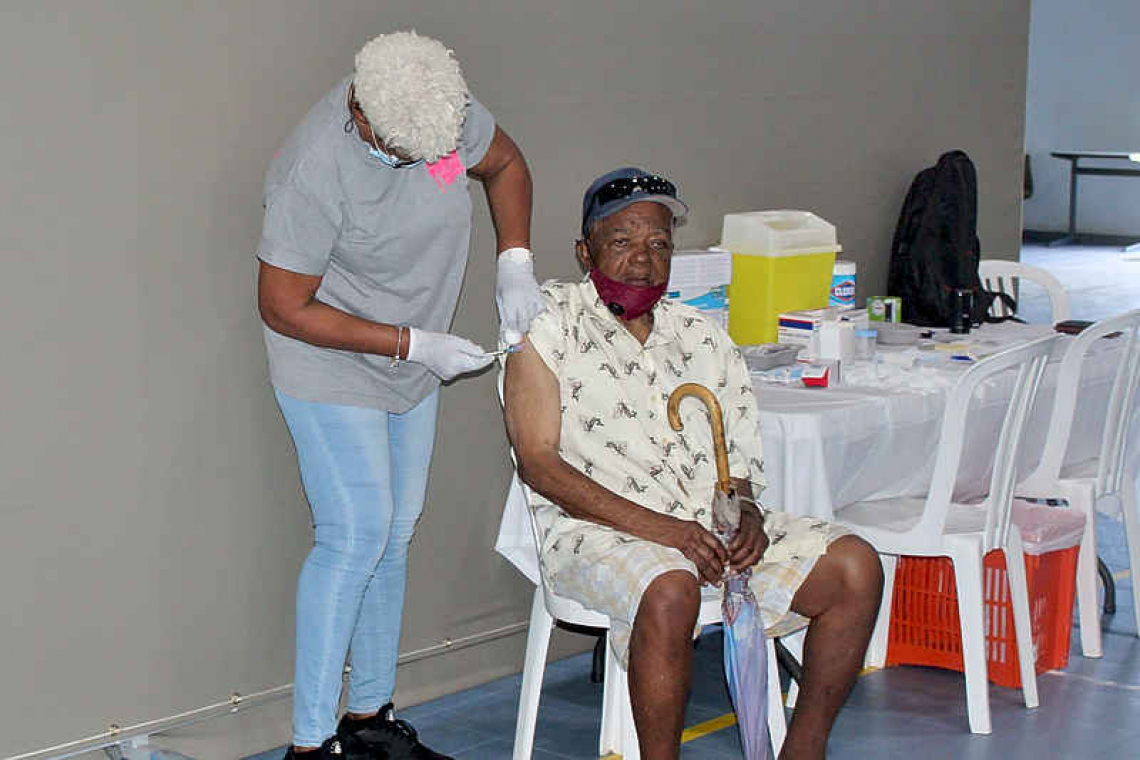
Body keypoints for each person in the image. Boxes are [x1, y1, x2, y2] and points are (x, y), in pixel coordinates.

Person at [502, 167, 883, 760]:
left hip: (705, 528)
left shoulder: (703, 337)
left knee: (855, 566)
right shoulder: (547, 330)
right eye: (623, 242)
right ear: (586, 251)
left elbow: (740, 461)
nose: (643, 261)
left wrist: (749, 516)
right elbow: (539, 465)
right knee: (671, 588)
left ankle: (803, 750)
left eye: (658, 245)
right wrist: (668, 532)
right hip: (595, 533)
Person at [256, 32, 543, 759]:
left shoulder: (438, 110)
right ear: (362, 114)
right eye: (401, 154)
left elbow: (505, 163)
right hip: (332, 360)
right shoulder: (313, 169)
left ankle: (369, 721)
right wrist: (413, 344)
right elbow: (284, 306)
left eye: (431, 155)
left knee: (397, 530)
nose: (420, 165)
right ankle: (311, 745)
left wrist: (516, 260)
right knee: (354, 535)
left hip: (416, 359)